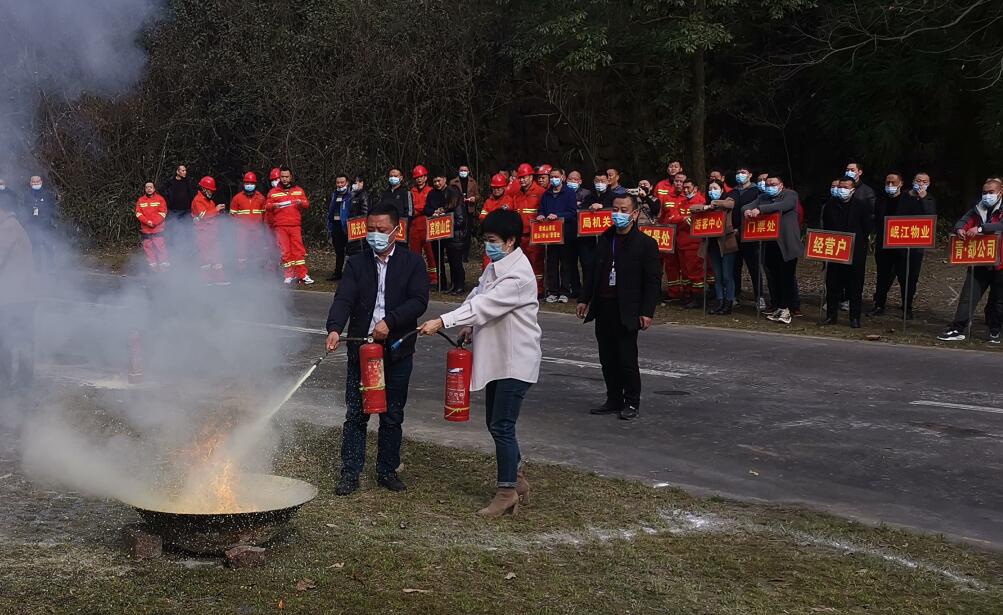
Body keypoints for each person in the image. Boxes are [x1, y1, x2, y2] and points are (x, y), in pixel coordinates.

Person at [417, 208, 541, 517]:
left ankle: (506, 491)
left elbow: (486, 305)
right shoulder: (496, 267)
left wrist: (442, 320)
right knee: (495, 424)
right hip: (499, 359)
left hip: (516, 361)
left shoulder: (518, 276)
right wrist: (467, 325)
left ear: (511, 241)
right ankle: (518, 478)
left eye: (494, 240)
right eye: (486, 240)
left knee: (502, 425)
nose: (489, 246)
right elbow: (477, 296)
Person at [325, 204, 430, 495]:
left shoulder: (412, 263)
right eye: (370, 229)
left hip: (396, 349)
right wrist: (334, 327)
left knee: (392, 413)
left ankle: (387, 469)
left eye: (381, 230)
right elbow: (344, 298)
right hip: (362, 349)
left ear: (397, 231)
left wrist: (390, 322)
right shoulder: (357, 264)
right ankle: (350, 471)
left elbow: (419, 301)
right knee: (357, 414)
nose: (375, 235)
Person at [576, 192, 660, 421]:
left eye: (623, 210)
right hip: (604, 306)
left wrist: (646, 311)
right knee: (607, 358)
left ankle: (632, 401)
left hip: (628, 309)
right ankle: (613, 399)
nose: (618, 214)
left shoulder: (645, 244)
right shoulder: (604, 238)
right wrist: (584, 299)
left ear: (634, 214)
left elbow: (652, 282)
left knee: (626, 358)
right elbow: (592, 271)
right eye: (615, 209)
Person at [937, 179, 1003, 344]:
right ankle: (958, 328)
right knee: (968, 296)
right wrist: (960, 229)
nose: (987, 195)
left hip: (1000, 263)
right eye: (985, 192)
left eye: (991, 192)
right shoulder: (978, 208)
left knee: (998, 300)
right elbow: (963, 221)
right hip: (980, 260)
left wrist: (981, 229)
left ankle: (994, 330)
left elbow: (1000, 225)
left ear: (1000, 192)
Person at [742, 175, 802, 325]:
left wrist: (760, 210)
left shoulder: (790, 195)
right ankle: (779, 307)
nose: (770, 186)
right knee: (774, 277)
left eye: (773, 184)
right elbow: (745, 206)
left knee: (786, 277)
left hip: (787, 244)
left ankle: (787, 308)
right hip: (770, 244)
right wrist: (747, 211)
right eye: (767, 184)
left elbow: (783, 206)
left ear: (781, 185)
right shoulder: (763, 197)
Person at [819, 177, 873, 328]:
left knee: (855, 285)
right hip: (834, 249)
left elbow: (867, 226)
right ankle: (831, 315)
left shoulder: (862, 205)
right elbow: (826, 225)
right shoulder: (830, 205)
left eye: (846, 187)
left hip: (855, 250)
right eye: (840, 186)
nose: (842, 189)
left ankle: (854, 317)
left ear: (853, 190)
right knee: (832, 284)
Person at [0, 190, 35, 397]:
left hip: (14, 298)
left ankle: (8, 385)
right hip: (19, 297)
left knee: (7, 341)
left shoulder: (8, 229)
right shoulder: (10, 226)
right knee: (21, 341)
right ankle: (22, 385)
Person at [691, 179, 738, 314]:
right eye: (710, 189)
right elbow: (693, 208)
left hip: (727, 244)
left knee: (727, 276)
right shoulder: (706, 206)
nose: (712, 191)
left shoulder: (726, 201)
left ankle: (729, 302)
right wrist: (706, 207)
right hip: (712, 245)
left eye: (715, 188)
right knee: (717, 276)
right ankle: (719, 301)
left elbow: (731, 204)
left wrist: (714, 203)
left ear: (722, 190)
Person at [894, 172, 936, 319]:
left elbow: (930, 216)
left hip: (918, 244)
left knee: (912, 276)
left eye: (925, 181)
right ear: (913, 181)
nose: (921, 184)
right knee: (901, 275)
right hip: (902, 241)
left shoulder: (929, 198)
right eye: (919, 181)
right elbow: (899, 215)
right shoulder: (905, 196)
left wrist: (923, 198)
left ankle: (908, 307)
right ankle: (902, 301)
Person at [265, 166, 313, 285]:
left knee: (298, 251)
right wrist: (274, 206)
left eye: (287, 176)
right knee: (285, 251)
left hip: (295, 225)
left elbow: (306, 204)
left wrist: (300, 203)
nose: (285, 179)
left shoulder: (298, 190)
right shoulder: (273, 192)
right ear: (280, 177)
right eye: (282, 177)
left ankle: (302, 274)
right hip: (280, 226)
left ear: (291, 177)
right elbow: (267, 206)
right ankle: (288, 274)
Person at [538, 167, 578, 303]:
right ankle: (552, 291)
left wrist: (558, 216)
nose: (554, 179)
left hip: (566, 233)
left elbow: (572, 213)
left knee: (565, 264)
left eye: (556, 176)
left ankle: (565, 291)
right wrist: (541, 215)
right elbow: (541, 210)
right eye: (552, 177)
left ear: (563, 177)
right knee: (551, 264)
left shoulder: (570, 193)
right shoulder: (546, 194)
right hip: (551, 234)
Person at [425, 169, 467, 294]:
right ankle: (444, 284)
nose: (437, 183)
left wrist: (444, 216)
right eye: (435, 181)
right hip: (438, 230)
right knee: (441, 259)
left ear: (444, 179)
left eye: (439, 180)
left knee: (455, 261)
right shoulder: (432, 194)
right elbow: (426, 209)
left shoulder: (454, 195)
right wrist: (435, 212)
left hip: (453, 233)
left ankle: (458, 285)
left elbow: (460, 220)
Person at [729, 167, 763, 310]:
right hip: (733, 235)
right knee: (734, 267)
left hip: (751, 235)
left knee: (754, 267)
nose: (740, 175)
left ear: (750, 175)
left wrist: (742, 229)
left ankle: (759, 297)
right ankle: (735, 295)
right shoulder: (732, 192)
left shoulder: (757, 192)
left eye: (743, 173)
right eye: (738, 173)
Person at [656, 172, 690, 302]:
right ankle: (674, 293)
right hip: (668, 236)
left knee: (685, 265)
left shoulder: (688, 198)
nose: (678, 183)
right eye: (676, 181)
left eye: (681, 181)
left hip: (683, 236)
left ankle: (687, 292)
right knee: (671, 265)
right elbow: (662, 216)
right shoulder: (666, 197)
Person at [513, 163, 546, 296]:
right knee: (521, 264)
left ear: (531, 177)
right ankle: (524, 288)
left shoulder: (540, 192)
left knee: (536, 263)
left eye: (524, 177)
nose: (522, 180)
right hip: (520, 235)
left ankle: (539, 289)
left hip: (534, 235)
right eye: (520, 177)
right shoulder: (517, 193)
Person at [674, 178, 707, 309]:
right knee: (685, 272)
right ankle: (688, 294)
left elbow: (698, 221)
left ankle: (698, 297)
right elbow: (673, 217)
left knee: (695, 271)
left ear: (695, 188)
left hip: (694, 243)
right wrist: (684, 219)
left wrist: (682, 220)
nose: (685, 190)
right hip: (681, 242)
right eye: (684, 187)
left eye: (688, 187)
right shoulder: (682, 202)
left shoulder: (700, 201)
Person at [191, 176, 227, 285]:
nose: (211, 192)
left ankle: (219, 279)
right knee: (206, 258)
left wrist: (218, 211)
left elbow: (210, 214)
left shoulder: (208, 201)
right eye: (210, 190)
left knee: (216, 256)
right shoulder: (198, 200)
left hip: (212, 233)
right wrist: (216, 209)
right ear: (203, 189)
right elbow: (203, 216)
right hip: (203, 233)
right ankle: (206, 280)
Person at [229, 171, 267, 274]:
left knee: (258, 252)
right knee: (242, 253)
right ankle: (242, 273)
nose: (249, 185)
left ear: (255, 184)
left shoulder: (261, 198)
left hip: (257, 230)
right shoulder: (237, 198)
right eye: (247, 183)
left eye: (251, 183)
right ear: (244, 184)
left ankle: (259, 272)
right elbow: (233, 216)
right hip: (242, 231)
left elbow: (265, 215)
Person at [408, 165, 438, 286]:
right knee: (415, 254)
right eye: (417, 177)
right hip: (414, 226)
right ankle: (417, 276)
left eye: (421, 177)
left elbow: (428, 207)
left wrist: (420, 209)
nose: (419, 179)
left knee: (431, 253)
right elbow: (410, 208)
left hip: (427, 225)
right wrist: (423, 209)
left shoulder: (431, 191)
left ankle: (434, 277)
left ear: (426, 177)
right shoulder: (411, 192)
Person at [479, 173, 516, 270]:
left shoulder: (509, 201)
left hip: (503, 238)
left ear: (504, 187)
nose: (496, 190)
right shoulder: (488, 201)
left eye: (499, 188)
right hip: (490, 236)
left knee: (504, 262)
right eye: (494, 188)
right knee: (487, 262)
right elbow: (482, 217)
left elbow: (508, 220)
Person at [22, 175, 58, 272]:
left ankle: (51, 268)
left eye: (37, 181)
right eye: (33, 182)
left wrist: (50, 220)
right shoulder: (27, 195)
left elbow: (53, 209)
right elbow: (25, 210)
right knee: (35, 247)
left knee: (48, 246)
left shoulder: (48, 194)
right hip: (33, 226)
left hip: (46, 225)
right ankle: (37, 268)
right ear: (30, 183)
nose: (35, 183)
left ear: (41, 182)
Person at [135, 181, 169, 274]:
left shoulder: (160, 199)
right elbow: (138, 213)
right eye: (147, 187)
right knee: (148, 250)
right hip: (146, 230)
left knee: (160, 248)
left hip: (158, 228)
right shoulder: (140, 200)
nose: (149, 189)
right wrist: (147, 222)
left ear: (154, 188)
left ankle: (164, 271)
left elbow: (163, 213)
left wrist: (154, 223)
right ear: (145, 189)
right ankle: (153, 271)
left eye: (150, 187)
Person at [450, 165, 480, 263]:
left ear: (468, 171)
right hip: (457, 210)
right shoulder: (453, 182)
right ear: (458, 171)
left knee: (467, 233)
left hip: (469, 210)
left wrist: (474, 199)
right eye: (461, 170)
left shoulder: (472, 182)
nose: (463, 172)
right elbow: (449, 195)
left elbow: (478, 196)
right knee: (457, 233)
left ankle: (465, 255)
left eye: (465, 170)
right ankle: (456, 253)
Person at [326, 175, 352, 281]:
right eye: (338, 183)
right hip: (335, 226)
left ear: (347, 183)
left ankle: (350, 273)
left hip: (346, 226)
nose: (340, 185)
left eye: (342, 182)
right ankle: (337, 273)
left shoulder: (351, 195)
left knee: (350, 251)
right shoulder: (334, 195)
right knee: (339, 251)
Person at [160, 164, 197, 229]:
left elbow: (192, 192)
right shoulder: (171, 182)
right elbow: (161, 190)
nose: (185, 172)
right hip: (174, 211)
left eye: (185, 170)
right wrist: (168, 199)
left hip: (186, 210)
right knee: (174, 229)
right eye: (183, 171)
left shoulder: (188, 181)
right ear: (177, 172)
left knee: (188, 229)